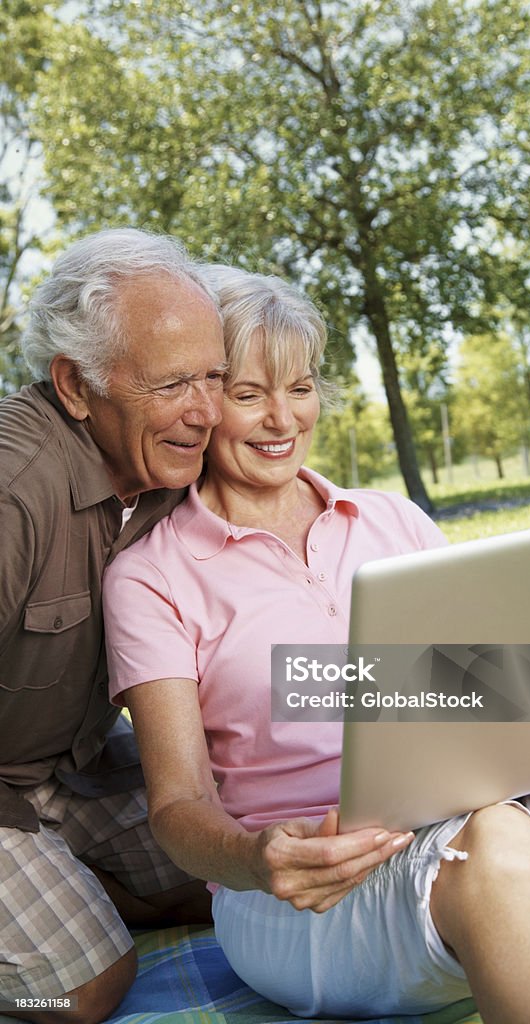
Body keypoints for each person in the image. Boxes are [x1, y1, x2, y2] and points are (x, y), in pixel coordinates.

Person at [103, 266, 530, 1024]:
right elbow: (178, 807)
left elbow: (494, 692)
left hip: (461, 829)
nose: (282, 419)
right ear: (206, 403)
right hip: (306, 899)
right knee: (497, 841)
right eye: (250, 394)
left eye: (301, 387)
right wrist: (255, 857)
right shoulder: (152, 575)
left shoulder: (391, 521)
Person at [0, 229, 229, 1024]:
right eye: (172, 383)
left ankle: (77, 883)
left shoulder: (173, 465)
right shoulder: (11, 494)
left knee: (225, 872)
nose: (206, 412)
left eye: (214, 376)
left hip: (71, 765)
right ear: (74, 384)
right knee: (79, 988)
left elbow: (304, 610)